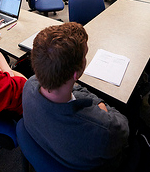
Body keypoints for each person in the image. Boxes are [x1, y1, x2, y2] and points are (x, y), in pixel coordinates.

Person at [23, 22, 129, 171]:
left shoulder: (29, 84)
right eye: (85, 56)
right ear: (76, 74)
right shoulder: (103, 128)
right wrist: (99, 104)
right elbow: (123, 127)